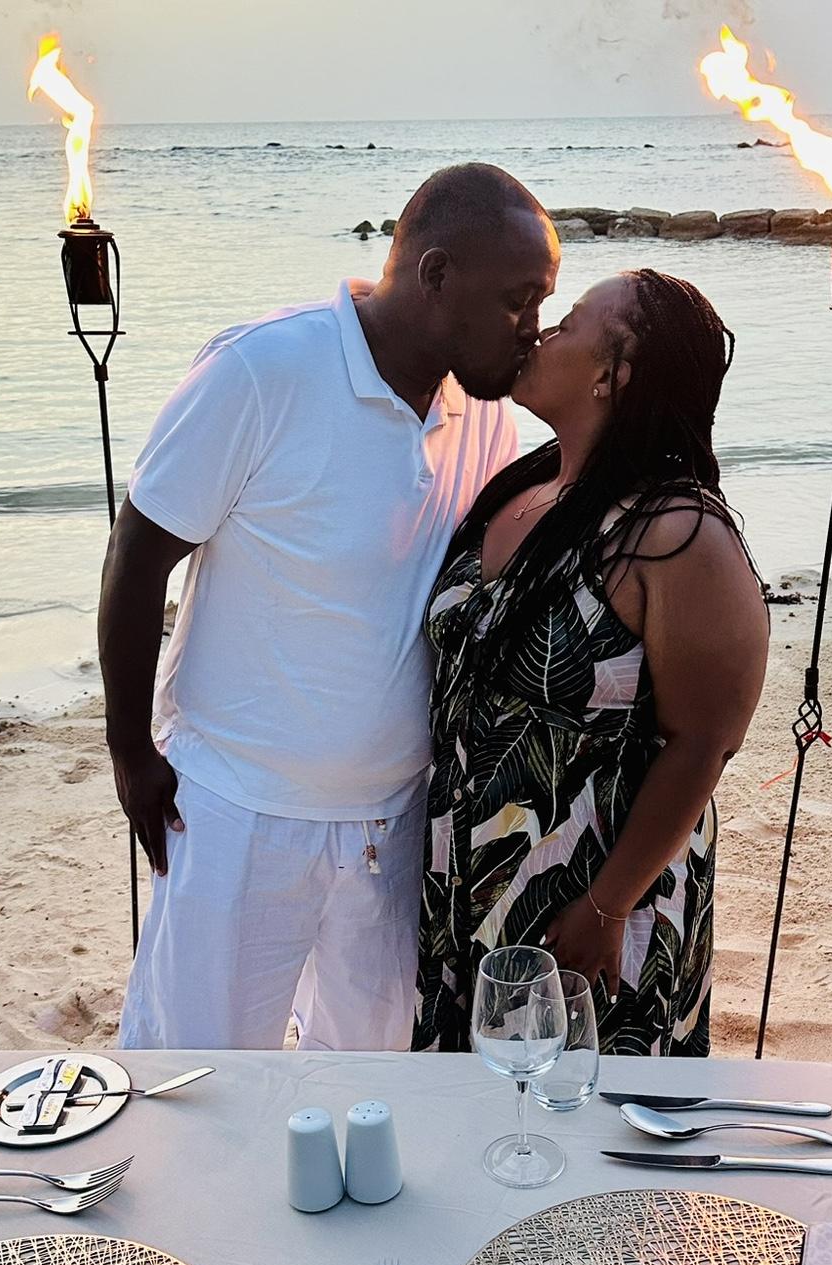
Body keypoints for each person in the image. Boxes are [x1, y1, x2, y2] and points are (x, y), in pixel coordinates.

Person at [100, 163, 560, 1051]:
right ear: (436, 276)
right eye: (518, 300)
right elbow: (137, 557)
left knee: (369, 1087)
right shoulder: (261, 369)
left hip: (395, 821)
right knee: (201, 1079)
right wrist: (128, 747)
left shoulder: (484, 415)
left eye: (541, 303)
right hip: (238, 808)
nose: (532, 328)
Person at [413, 269, 769, 1056]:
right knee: (471, 1105)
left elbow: (704, 744)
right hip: (465, 879)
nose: (540, 333)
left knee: (583, 1110)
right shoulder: (527, 484)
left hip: (589, 898)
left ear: (613, 373)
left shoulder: (676, 534)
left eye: (567, 323)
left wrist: (608, 907)